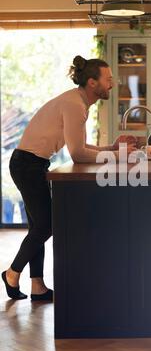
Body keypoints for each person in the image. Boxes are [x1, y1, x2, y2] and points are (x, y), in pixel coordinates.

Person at [2, 55, 137, 301]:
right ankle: (12, 273)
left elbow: (80, 146)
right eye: (107, 79)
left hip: (32, 163)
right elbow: (78, 155)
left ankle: (37, 286)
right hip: (27, 165)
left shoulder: (78, 102)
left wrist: (112, 149)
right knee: (46, 226)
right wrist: (117, 156)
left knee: (38, 227)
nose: (112, 83)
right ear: (92, 83)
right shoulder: (74, 104)